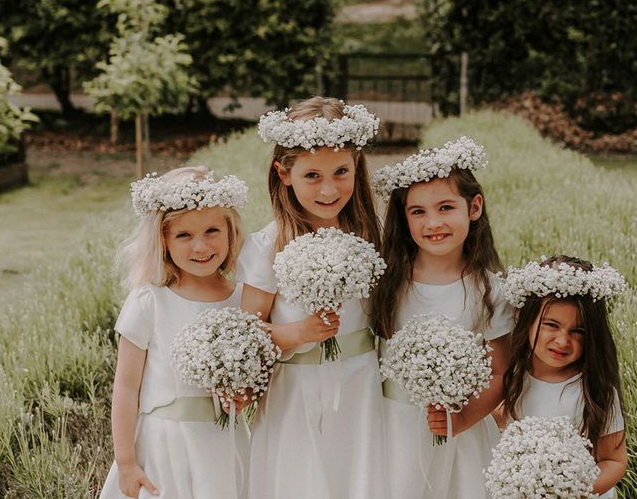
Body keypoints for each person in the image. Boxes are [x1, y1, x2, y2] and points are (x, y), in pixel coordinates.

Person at [238, 97, 386, 499]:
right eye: (312, 175)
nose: (328, 189)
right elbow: (246, 335)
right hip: (295, 392)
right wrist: (298, 332)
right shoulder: (267, 246)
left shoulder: (374, 236)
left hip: (361, 387)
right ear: (284, 174)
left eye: (341, 171)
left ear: (356, 165)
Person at [370, 136, 513, 499]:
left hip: (459, 430)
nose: (433, 222)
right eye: (418, 211)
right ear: (404, 218)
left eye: (446, 207)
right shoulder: (388, 282)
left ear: (474, 207)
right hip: (392, 425)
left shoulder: (490, 290)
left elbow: (500, 372)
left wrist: (463, 419)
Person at [99, 166, 250, 499]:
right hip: (162, 446)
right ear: (163, 240)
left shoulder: (244, 299)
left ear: (230, 229)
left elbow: (255, 373)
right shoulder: (150, 301)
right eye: (184, 235)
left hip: (223, 444)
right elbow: (126, 387)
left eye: (212, 230)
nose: (201, 246)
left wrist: (245, 394)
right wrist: (126, 461)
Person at [496, 255, 628, 498]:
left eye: (578, 331)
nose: (562, 341)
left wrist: (567, 490)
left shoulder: (595, 389)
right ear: (525, 318)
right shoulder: (511, 377)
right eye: (551, 325)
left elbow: (614, 461)